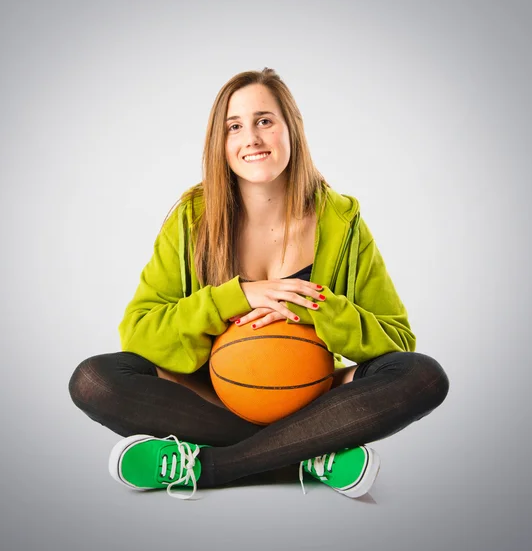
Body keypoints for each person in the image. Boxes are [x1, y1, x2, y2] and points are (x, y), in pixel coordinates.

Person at [68, 67, 450, 501]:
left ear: (292, 129)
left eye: (264, 121)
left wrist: (311, 305)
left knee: (422, 376)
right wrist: (237, 297)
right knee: (94, 380)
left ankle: (209, 468)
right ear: (222, 143)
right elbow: (139, 332)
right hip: (212, 398)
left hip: (314, 397)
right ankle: (310, 449)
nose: (251, 138)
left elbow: (397, 338)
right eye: (235, 127)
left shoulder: (341, 222)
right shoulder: (191, 219)